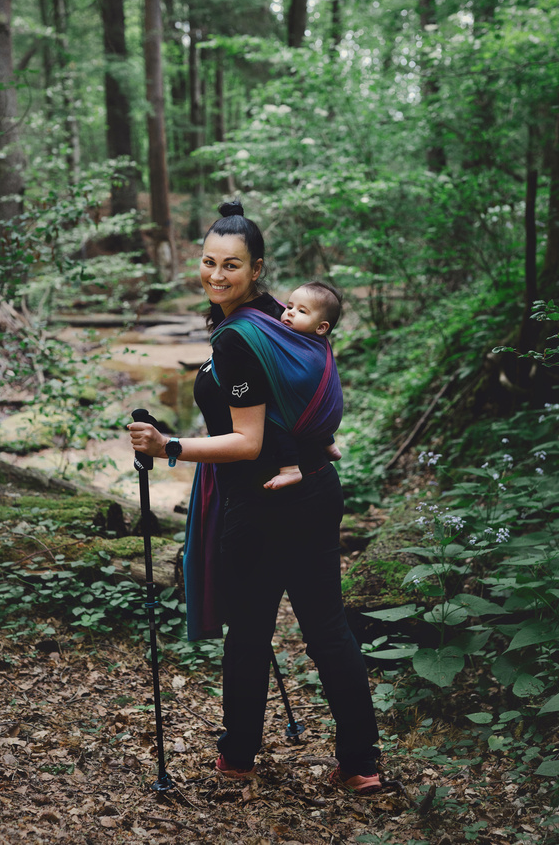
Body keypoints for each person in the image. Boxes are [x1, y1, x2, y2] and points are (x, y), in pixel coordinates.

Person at [128, 201, 382, 795]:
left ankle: (239, 756)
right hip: (316, 488)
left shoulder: (241, 340)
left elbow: (247, 441)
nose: (217, 276)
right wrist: (318, 446)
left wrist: (168, 445)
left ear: (257, 268)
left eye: (232, 266)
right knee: (327, 629)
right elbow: (310, 384)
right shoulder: (285, 320)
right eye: (209, 262)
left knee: (249, 633)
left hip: (263, 504)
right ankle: (361, 764)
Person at [264, 281, 343, 491]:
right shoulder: (312, 340)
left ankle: (290, 468)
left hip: (308, 406)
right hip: (315, 408)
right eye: (289, 307)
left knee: (275, 416)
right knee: (311, 405)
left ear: (321, 327)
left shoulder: (308, 347)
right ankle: (330, 445)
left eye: (301, 311)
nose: (289, 313)